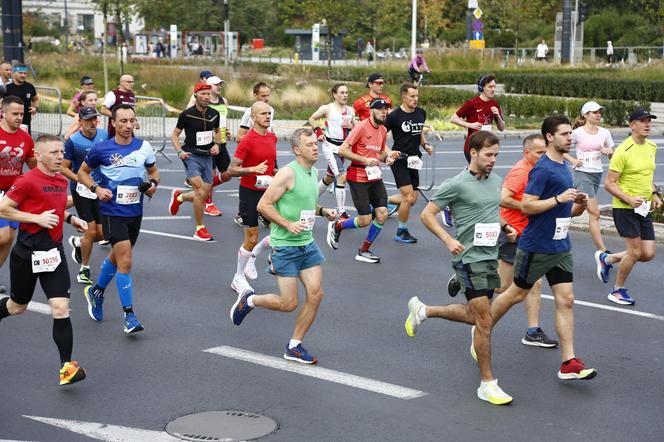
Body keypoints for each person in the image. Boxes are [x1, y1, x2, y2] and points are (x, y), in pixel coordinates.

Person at [407, 131, 518, 405]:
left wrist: (505, 226)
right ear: (473, 153)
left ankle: (424, 311)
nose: (493, 160)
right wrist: (448, 239)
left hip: (489, 255)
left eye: (496, 155)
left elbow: (492, 208)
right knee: (485, 322)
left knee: (473, 316)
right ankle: (487, 384)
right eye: (488, 155)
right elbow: (426, 214)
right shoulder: (456, 184)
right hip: (468, 258)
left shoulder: (495, 181)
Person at [488, 115, 598, 382]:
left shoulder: (563, 166)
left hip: (560, 245)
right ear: (550, 137)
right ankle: (482, 327)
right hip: (536, 246)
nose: (570, 138)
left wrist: (578, 205)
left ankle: (568, 362)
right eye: (564, 134)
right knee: (514, 295)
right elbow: (527, 205)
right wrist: (558, 198)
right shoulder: (543, 168)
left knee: (566, 300)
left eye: (571, 133)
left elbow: (561, 210)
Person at [230, 128, 337, 364]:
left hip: (307, 244)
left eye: (315, 144)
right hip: (285, 247)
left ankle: (294, 345)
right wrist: (288, 224)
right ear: (297, 150)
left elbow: (305, 200)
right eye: (309, 145)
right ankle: (250, 300)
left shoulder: (312, 172)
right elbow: (263, 205)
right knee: (288, 304)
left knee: (316, 294)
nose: (314, 147)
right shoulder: (288, 174)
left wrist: (322, 211)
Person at [0, 134, 88, 386]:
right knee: (18, 307)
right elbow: (3, 208)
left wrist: (72, 220)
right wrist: (36, 219)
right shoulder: (26, 180)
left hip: (53, 254)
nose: (60, 156)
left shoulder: (61, 181)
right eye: (53, 152)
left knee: (60, 308)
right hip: (26, 255)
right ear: (38, 155)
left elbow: (56, 208)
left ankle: (66, 368)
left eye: (61, 151)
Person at [77, 104, 160, 334]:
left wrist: (152, 186)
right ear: (113, 123)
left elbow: (154, 172)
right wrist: (96, 189)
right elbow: (83, 172)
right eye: (122, 121)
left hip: (135, 211)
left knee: (117, 256)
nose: (127, 125)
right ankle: (129, 315)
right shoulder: (101, 149)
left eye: (131, 120)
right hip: (112, 211)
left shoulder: (143, 146)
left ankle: (97, 291)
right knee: (126, 261)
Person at [497, 134, 558, 347]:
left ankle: (532, 331)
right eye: (539, 152)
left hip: (529, 235)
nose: (543, 156)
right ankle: (466, 276)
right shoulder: (520, 172)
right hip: (513, 232)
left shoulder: (538, 170)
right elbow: (502, 199)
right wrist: (527, 207)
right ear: (527, 153)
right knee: (502, 286)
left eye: (545, 151)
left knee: (534, 283)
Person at [326, 98, 399, 264]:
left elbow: (379, 154)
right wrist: (364, 159)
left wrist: (387, 158)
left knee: (382, 214)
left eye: (386, 109)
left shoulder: (382, 130)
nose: (384, 112)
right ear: (372, 110)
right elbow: (342, 150)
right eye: (380, 109)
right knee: (365, 220)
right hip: (358, 177)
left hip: (375, 176)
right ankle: (338, 226)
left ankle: (364, 250)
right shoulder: (361, 127)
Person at [601, 109, 660, 305]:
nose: (647, 125)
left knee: (648, 253)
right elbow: (609, 183)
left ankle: (607, 260)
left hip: (643, 207)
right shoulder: (623, 150)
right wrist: (628, 199)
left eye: (649, 121)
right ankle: (617, 290)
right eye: (643, 121)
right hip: (624, 208)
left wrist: (655, 194)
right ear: (632, 125)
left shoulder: (651, 146)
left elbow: (647, 176)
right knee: (634, 252)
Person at [228, 101, 277, 293]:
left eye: (269, 113)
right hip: (249, 193)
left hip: (268, 192)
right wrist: (252, 170)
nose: (267, 116)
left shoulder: (273, 137)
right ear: (253, 118)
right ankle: (238, 277)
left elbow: (273, 165)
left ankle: (254, 257)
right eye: (263, 114)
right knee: (252, 238)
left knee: (279, 231)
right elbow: (231, 170)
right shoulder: (247, 140)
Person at [565, 101, 620, 257]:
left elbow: (613, 154)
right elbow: (560, 149)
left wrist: (609, 152)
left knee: (578, 209)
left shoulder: (604, 132)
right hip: (582, 174)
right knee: (594, 213)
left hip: (597, 174)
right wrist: (573, 160)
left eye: (600, 112)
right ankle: (603, 252)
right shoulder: (577, 133)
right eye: (595, 112)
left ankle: (553, 219)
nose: (598, 115)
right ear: (586, 115)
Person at [168, 82, 221, 241]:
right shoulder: (186, 114)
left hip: (207, 157)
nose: (206, 97)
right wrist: (179, 151)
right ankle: (199, 229)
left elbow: (217, 131)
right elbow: (175, 135)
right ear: (196, 95)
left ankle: (180, 197)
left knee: (204, 194)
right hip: (191, 156)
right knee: (199, 191)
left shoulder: (214, 114)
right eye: (203, 94)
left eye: (208, 94)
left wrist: (217, 145)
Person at [62, 107, 109, 284]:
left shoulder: (104, 135)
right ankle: (85, 269)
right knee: (91, 230)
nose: (92, 123)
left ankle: (79, 242)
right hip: (81, 190)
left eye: (94, 119)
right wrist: (80, 179)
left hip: (100, 188)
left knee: (103, 234)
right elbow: (63, 167)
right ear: (80, 122)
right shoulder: (73, 141)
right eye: (88, 120)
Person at [385, 83, 432, 243]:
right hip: (400, 159)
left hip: (414, 159)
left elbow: (418, 132)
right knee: (407, 197)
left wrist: (425, 145)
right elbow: (380, 135)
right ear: (404, 97)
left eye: (417, 96)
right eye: (412, 96)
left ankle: (387, 200)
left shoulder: (421, 113)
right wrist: (388, 152)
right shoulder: (394, 116)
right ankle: (401, 231)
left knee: (412, 199)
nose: (415, 99)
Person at [0, 96, 37, 294]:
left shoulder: (25, 138)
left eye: (21, 114)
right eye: (15, 113)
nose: (19, 117)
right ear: (3, 113)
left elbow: (32, 164)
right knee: (3, 236)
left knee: (8, 239)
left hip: (14, 193)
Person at [308, 83, 356, 218]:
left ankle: (308, 200)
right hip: (330, 146)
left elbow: (356, 127)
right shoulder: (327, 108)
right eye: (341, 93)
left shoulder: (350, 110)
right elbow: (312, 119)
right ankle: (342, 213)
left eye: (346, 92)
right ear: (334, 94)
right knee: (341, 177)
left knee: (329, 178)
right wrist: (318, 131)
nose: (345, 95)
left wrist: (351, 125)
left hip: (343, 148)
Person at [450, 74, 505, 164]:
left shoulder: (494, 104)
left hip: (486, 147)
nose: (493, 89)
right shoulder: (472, 103)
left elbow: (502, 128)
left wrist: (498, 116)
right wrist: (470, 125)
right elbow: (453, 118)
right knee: (477, 174)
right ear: (481, 88)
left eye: (494, 87)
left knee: (483, 175)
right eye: (490, 87)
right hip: (472, 147)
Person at [202, 75, 233, 217]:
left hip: (222, 142)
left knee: (228, 173)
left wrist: (225, 130)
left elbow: (222, 120)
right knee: (211, 174)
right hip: (209, 144)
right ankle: (208, 204)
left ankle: (202, 190)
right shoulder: (204, 102)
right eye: (216, 84)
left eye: (220, 84)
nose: (219, 86)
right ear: (209, 87)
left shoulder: (223, 101)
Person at [5, 63, 39, 133]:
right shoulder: (7, 87)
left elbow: (36, 99)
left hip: (25, 123)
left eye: (25, 73)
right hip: (9, 122)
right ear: (14, 73)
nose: (23, 75)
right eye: (20, 73)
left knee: (24, 142)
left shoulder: (30, 86)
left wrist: (35, 108)